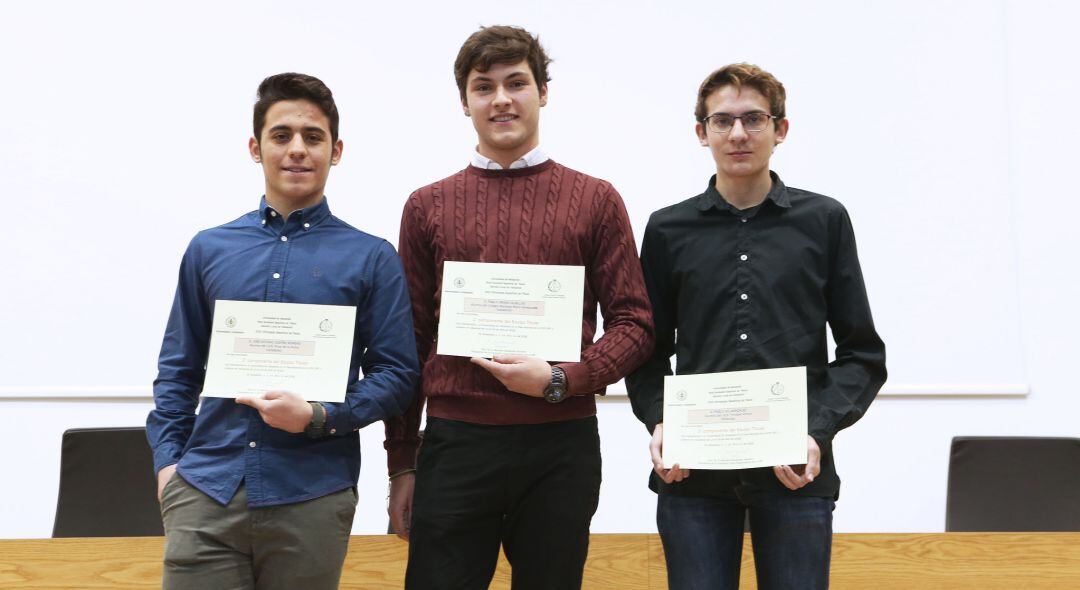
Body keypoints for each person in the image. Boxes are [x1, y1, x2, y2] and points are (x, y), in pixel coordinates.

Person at [383, 25, 655, 590]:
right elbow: (410, 341)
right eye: (484, 87)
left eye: (517, 83)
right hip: (456, 443)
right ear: (465, 102)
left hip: (561, 446)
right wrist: (403, 462)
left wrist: (563, 378)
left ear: (543, 92)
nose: (501, 99)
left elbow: (634, 323)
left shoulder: (596, 199)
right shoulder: (426, 207)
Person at [146, 72, 419, 590]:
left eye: (313, 137)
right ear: (256, 147)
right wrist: (169, 469)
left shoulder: (372, 257)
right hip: (206, 491)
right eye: (281, 135)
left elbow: (396, 374)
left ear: (336, 151)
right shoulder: (209, 249)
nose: (297, 149)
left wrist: (320, 416)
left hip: (312, 495)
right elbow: (178, 370)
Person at [626, 63, 887, 590]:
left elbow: (862, 354)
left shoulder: (824, 220)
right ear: (702, 133)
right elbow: (646, 352)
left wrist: (816, 432)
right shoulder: (666, 229)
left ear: (780, 129)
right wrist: (660, 421)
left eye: (754, 119)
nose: (738, 133)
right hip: (693, 476)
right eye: (722, 121)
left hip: (796, 474)